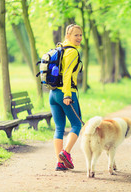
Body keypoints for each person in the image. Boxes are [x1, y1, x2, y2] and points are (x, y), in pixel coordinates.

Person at [49, 24, 83, 171]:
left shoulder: (60, 48)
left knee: (59, 127)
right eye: (76, 35)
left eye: (80, 35)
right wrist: (68, 94)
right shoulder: (72, 52)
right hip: (65, 93)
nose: (79, 38)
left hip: (53, 93)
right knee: (77, 124)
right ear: (67, 36)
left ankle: (60, 163)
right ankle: (65, 153)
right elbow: (68, 73)